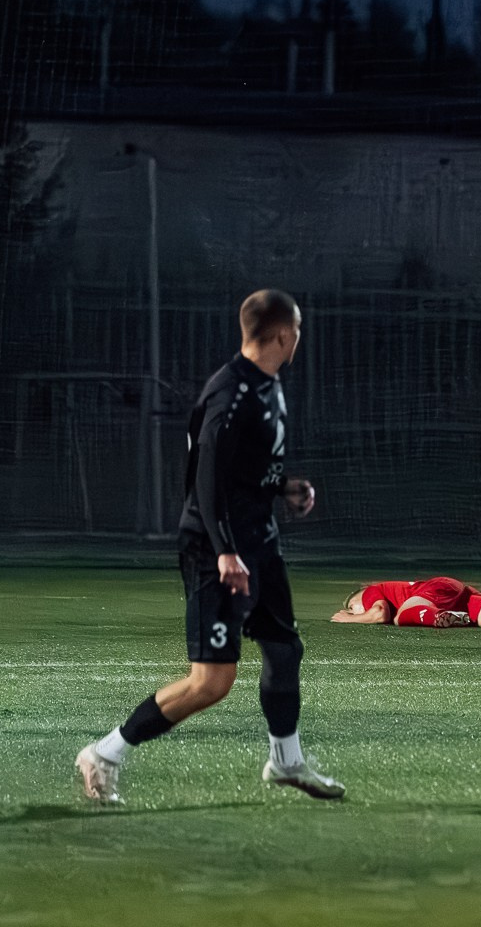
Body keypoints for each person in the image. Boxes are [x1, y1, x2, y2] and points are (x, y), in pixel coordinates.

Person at [75, 289, 344, 804]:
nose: (299, 338)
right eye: (299, 329)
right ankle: (104, 752)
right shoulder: (231, 393)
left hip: (258, 541)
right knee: (211, 683)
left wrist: (281, 486)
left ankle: (286, 762)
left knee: (285, 651)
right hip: (217, 551)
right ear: (284, 333)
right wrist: (224, 551)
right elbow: (206, 479)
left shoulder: (268, 384)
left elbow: (243, 471)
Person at [331, 577, 481, 630]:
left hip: (437, 589)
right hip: (454, 593)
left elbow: (379, 614)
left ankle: (440, 617)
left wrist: (350, 617)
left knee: (399, 617)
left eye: (352, 606)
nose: (354, 610)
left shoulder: (371, 591)